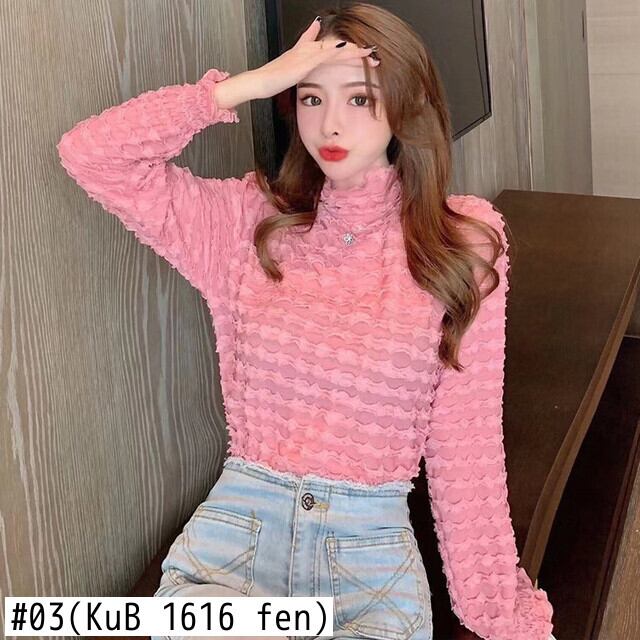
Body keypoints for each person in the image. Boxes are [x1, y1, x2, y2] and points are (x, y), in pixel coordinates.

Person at [56, 4, 557, 640]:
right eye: (311, 97)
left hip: (368, 571)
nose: (330, 123)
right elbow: (91, 155)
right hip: (233, 551)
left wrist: (497, 615)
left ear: (406, 104)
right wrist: (246, 85)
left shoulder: (460, 244)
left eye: (360, 98)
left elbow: (466, 445)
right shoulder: (250, 224)